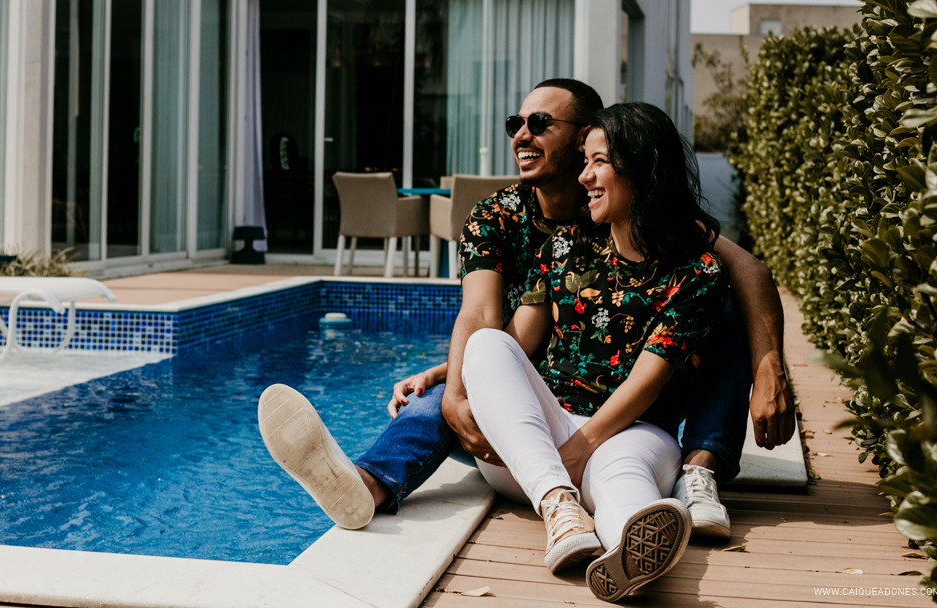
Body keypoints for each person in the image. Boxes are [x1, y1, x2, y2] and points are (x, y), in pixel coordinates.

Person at [258, 80, 794, 536]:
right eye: (516, 122)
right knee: (448, 391)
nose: (521, 134)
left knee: (723, 302)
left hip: (623, 414)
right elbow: (483, 321)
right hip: (528, 391)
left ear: (588, 140)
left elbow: (749, 271)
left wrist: (769, 366)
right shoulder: (504, 219)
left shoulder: (640, 213)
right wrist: (452, 386)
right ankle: (366, 485)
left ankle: (697, 471)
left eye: (540, 123)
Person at [462, 101, 726, 601]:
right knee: (485, 342)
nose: (583, 177)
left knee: (622, 474)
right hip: (538, 445)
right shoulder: (566, 247)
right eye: (584, 161)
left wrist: (581, 447)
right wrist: (449, 374)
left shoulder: (697, 274)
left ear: (642, 168)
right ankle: (560, 508)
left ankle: (632, 551)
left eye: (598, 162)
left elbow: (645, 384)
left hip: (633, 431)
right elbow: (512, 347)